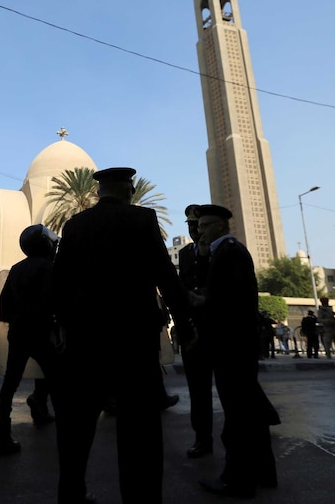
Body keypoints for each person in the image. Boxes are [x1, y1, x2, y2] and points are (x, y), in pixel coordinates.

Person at [51, 167, 191, 504]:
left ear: (99, 192)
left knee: (78, 426)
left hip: (86, 340)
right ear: (128, 190)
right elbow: (165, 276)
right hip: (133, 340)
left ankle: (71, 494)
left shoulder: (75, 225)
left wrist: (63, 327)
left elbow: (59, 285)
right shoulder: (142, 220)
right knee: (139, 430)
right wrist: (185, 324)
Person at [192, 204, 278, 499]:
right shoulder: (220, 252)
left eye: (203, 226)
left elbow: (232, 298)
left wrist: (204, 303)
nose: (199, 232)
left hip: (232, 344)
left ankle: (238, 481)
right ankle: (265, 474)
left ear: (218, 225)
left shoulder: (231, 251)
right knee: (250, 410)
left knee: (238, 415)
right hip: (235, 344)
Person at [0, 224, 61, 456]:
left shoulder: (16, 268)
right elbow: (54, 301)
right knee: (57, 378)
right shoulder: (48, 268)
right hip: (39, 331)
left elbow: (6, 303)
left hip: (19, 331)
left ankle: (2, 434)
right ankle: (66, 428)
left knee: (10, 383)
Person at [177, 204, 213, 458]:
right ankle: (202, 438)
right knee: (198, 391)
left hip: (220, 330)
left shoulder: (223, 249)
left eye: (198, 225)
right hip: (194, 331)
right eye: (190, 226)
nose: (194, 231)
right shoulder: (185, 254)